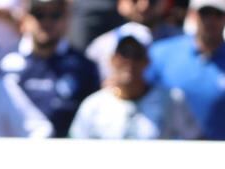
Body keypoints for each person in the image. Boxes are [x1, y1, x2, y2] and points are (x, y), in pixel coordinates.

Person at [147, 0, 225, 139]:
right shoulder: (160, 53)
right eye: (205, 13)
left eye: (218, 14)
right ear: (193, 14)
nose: (211, 20)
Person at [69, 31, 199, 136]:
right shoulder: (93, 105)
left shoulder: (171, 100)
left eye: (137, 55)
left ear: (147, 61)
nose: (130, 62)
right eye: (124, 54)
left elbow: (195, 140)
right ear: (112, 59)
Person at [0, 0, 99, 136]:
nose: (47, 22)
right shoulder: (1, 63)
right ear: (24, 18)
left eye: (55, 15)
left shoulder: (84, 67)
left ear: (67, 18)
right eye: (39, 15)